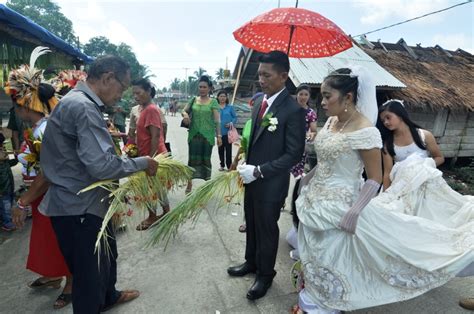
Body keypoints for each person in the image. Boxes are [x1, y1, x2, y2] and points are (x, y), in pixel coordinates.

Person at [294, 67, 473, 314]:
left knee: (334, 254)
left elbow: (375, 178)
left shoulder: (366, 132)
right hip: (315, 199)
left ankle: (327, 302)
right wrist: (307, 179)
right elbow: (325, 160)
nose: (322, 102)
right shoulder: (333, 122)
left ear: (347, 97)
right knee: (316, 253)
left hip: (341, 205)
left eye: (327, 96)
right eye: (321, 96)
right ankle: (315, 293)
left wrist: (355, 211)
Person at [38, 56, 159, 313]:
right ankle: (96, 302)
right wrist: (142, 162)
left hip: (87, 204)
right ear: (107, 78)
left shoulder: (77, 102)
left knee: (106, 257)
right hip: (78, 207)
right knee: (88, 278)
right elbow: (101, 165)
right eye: (123, 88)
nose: (123, 95)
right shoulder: (83, 107)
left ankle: (109, 296)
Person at [228, 51, 306, 301]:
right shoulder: (260, 101)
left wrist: (260, 171)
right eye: (260, 74)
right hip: (251, 178)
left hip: (271, 183)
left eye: (266, 75)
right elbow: (255, 140)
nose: (261, 79)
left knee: (267, 229)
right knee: (251, 222)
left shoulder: (293, 110)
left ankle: (265, 274)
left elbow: (293, 154)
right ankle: (251, 262)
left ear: (283, 76)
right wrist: (245, 163)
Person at [5, 48, 74, 309]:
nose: (15, 110)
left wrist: (22, 202)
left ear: (25, 104)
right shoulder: (39, 127)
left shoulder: (45, 129)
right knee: (48, 238)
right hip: (42, 193)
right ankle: (54, 273)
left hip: (51, 193)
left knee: (61, 238)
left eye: (15, 104)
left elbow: (49, 172)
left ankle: (71, 281)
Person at [376, 99, 445, 190]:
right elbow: (387, 173)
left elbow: (439, 158)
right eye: (383, 120)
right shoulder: (388, 144)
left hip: (424, 182)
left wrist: (424, 166)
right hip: (401, 186)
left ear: (400, 114)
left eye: (388, 117)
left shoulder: (424, 135)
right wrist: (385, 194)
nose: (386, 122)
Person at [132, 78, 170, 231]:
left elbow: (155, 135)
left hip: (153, 156)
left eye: (138, 93)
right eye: (133, 93)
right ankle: (166, 213)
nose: (135, 96)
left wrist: (152, 160)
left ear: (148, 92)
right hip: (148, 155)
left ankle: (153, 216)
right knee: (157, 187)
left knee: (151, 187)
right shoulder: (143, 109)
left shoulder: (151, 110)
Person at [181, 76, 222, 193]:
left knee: (206, 160)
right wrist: (185, 115)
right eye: (200, 87)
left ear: (209, 88)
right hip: (194, 135)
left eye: (204, 87)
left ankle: (207, 186)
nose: (202, 89)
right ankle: (189, 184)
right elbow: (184, 110)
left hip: (207, 137)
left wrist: (219, 136)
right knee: (192, 160)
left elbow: (217, 120)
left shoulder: (213, 102)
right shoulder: (193, 100)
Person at [290, 84, 317, 178]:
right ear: (296, 94)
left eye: (306, 94)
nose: (303, 97)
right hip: (286, 143)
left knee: (296, 174)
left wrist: (309, 136)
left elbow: (313, 131)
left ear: (309, 96)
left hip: (300, 146)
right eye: (301, 94)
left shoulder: (310, 113)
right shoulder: (289, 109)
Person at [0, 131, 17, 231]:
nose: (2, 147)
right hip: (2, 189)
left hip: (8, 185)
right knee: (5, 204)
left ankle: (8, 219)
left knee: (9, 201)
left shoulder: (4, 155)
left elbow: (11, 159)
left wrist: (13, 154)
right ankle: (7, 222)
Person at [217, 90, 237, 171]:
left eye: (224, 96)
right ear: (218, 97)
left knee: (228, 150)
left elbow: (235, 117)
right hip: (219, 133)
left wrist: (231, 123)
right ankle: (222, 165)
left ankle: (229, 166)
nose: (222, 98)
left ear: (226, 98)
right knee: (220, 150)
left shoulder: (230, 107)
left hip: (228, 133)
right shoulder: (215, 107)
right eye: (221, 96)